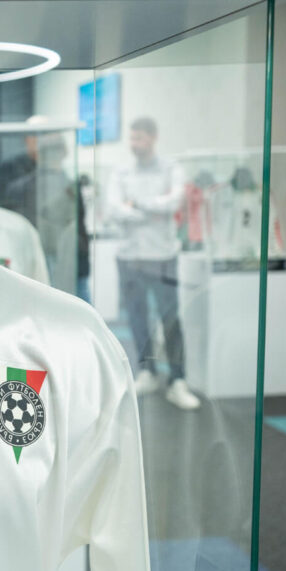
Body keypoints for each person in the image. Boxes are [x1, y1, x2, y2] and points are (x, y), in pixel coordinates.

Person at [106, 117, 200, 410]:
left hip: (162, 257)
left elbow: (174, 202)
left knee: (170, 319)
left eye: (139, 138)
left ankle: (177, 380)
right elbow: (114, 209)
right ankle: (147, 372)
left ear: (153, 137)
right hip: (129, 256)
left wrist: (136, 205)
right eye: (132, 138)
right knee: (137, 317)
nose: (134, 144)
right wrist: (150, 209)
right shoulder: (120, 171)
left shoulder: (171, 168)